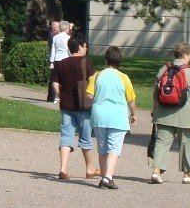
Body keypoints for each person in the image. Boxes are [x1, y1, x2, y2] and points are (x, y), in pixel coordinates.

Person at [150, 41, 190, 184]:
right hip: (185, 115)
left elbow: (156, 92)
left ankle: (156, 172)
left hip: (163, 113)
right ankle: (187, 175)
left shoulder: (163, 69)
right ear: (185, 55)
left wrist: (154, 109)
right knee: (186, 144)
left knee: (162, 143)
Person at [49, 34, 100, 180]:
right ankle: (90, 168)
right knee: (85, 137)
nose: (86, 48)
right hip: (83, 106)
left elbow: (55, 84)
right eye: (85, 46)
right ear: (80, 46)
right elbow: (93, 82)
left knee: (66, 136)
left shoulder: (61, 63)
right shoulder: (86, 63)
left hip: (66, 105)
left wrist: (60, 96)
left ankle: (63, 168)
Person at [86, 45, 137, 189]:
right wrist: (133, 113)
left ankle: (104, 177)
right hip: (117, 116)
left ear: (106, 59)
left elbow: (89, 95)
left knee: (102, 148)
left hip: (99, 115)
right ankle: (108, 177)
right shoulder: (124, 77)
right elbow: (131, 99)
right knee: (114, 148)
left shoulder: (97, 76)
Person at [44, 21, 61, 101]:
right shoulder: (52, 35)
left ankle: (52, 96)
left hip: (54, 58)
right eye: (58, 27)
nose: (59, 28)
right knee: (53, 78)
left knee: (53, 78)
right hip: (54, 59)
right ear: (54, 27)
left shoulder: (54, 35)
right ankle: (52, 96)